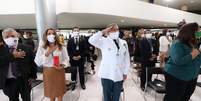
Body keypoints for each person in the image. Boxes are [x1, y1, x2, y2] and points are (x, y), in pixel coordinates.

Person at [89, 23, 130, 101]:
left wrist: (125, 73)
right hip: (106, 74)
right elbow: (91, 40)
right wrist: (102, 32)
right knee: (107, 98)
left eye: (117, 29)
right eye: (113, 29)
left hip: (119, 74)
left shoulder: (123, 43)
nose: (116, 31)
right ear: (108, 32)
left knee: (116, 98)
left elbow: (126, 59)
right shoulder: (103, 41)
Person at [164, 22, 201, 101]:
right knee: (174, 97)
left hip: (191, 76)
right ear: (191, 31)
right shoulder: (177, 43)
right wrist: (192, 55)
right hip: (177, 75)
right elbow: (178, 61)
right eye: (198, 29)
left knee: (185, 97)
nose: (200, 31)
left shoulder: (194, 43)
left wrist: (196, 73)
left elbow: (197, 59)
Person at [0, 28, 37, 101]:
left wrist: (33, 76)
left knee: (26, 99)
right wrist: (12, 56)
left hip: (24, 79)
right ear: (3, 38)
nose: (10, 38)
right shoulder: (1, 49)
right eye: (7, 36)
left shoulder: (27, 48)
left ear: (17, 37)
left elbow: (33, 63)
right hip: (8, 81)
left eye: (12, 36)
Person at [34, 28, 68, 101]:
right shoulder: (42, 47)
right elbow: (37, 61)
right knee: (50, 91)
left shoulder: (61, 46)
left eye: (53, 33)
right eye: (49, 33)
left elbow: (66, 58)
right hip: (48, 71)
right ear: (46, 36)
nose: (51, 35)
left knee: (60, 91)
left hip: (59, 70)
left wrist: (63, 65)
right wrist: (48, 52)